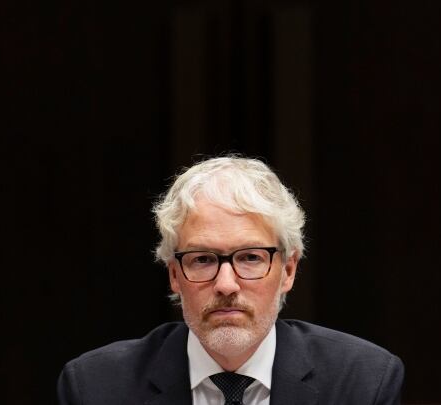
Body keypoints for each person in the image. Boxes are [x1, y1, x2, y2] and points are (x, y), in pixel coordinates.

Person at [58, 156, 404, 405]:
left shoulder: (363, 382)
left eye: (250, 257)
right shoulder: (95, 387)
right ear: (175, 275)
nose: (226, 284)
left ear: (288, 271)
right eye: (203, 259)